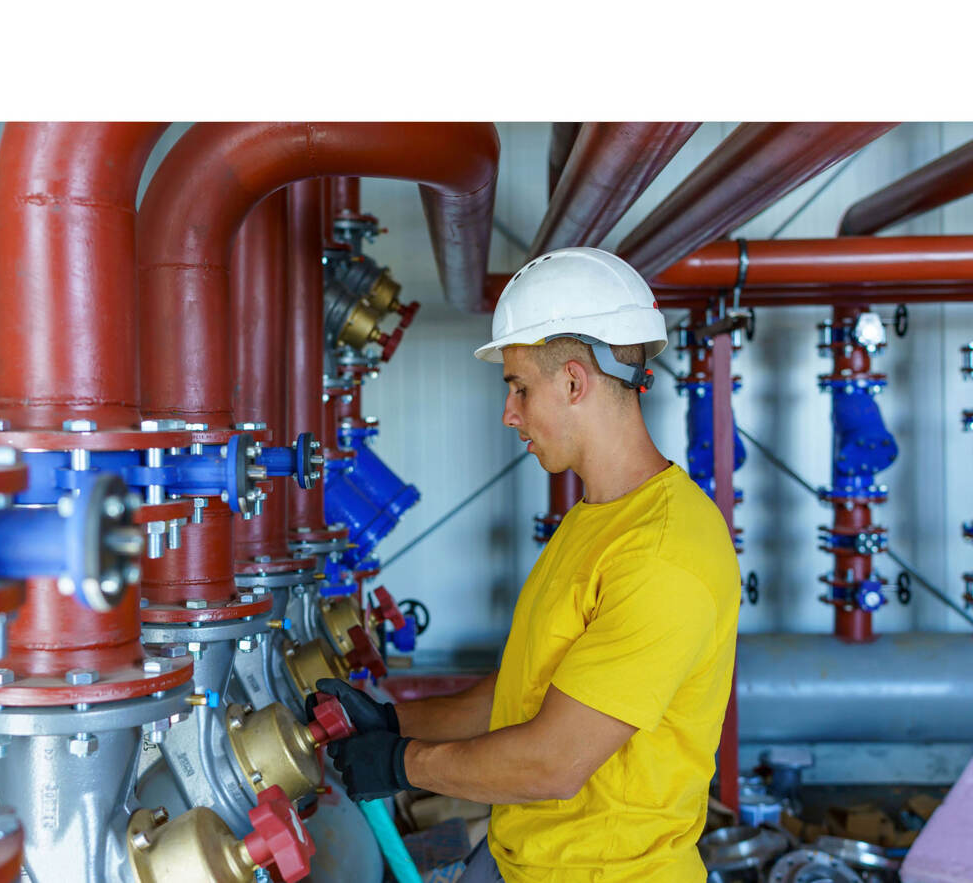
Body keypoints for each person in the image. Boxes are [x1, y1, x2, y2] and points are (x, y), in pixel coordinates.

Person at [309, 248, 741, 882]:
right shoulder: (596, 517)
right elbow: (526, 694)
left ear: (573, 382)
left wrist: (403, 763)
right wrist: (392, 721)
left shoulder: (661, 555)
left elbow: (553, 763)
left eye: (519, 387)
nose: (510, 412)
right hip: (523, 859)